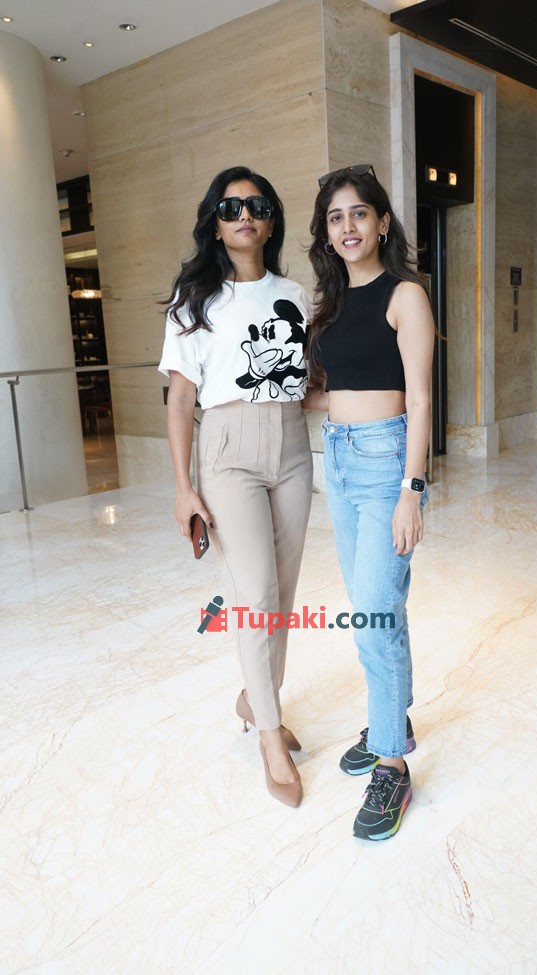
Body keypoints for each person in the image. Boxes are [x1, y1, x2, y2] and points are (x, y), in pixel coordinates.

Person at [159, 165, 313, 807]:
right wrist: (183, 486)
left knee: (284, 589)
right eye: (229, 208)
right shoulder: (195, 300)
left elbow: (308, 381)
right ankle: (270, 735)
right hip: (227, 450)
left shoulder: (297, 294)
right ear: (215, 225)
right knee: (254, 593)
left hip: (294, 445)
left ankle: (257, 698)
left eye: (256, 205)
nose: (244, 215)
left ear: (271, 220)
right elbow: (180, 399)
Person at [304, 163, 435, 839]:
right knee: (373, 609)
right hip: (338, 459)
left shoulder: (404, 294)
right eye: (336, 217)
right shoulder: (329, 303)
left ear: (383, 221)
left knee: (375, 620)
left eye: (359, 213)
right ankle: (392, 721)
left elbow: (421, 398)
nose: (348, 226)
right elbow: (338, 386)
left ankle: (392, 764)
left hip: (387, 465)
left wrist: (412, 489)